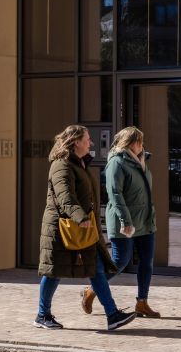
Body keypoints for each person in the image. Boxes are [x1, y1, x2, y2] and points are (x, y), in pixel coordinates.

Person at [35, 124, 136, 332]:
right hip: (62, 228)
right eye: (87, 139)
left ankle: (112, 315)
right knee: (53, 271)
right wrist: (80, 217)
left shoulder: (79, 163)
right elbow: (65, 197)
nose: (91, 142)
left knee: (96, 267)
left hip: (81, 227)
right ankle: (42, 314)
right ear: (75, 142)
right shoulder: (61, 166)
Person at [81, 126, 161, 320]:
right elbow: (115, 194)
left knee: (147, 263)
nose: (142, 145)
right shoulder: (117, 163)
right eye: (138, 141)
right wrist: (126, 221)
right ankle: (92, 290)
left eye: (142, 141)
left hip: (144, 221)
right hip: (124, 222)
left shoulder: (140, 161)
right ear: (128, 143)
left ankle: (142, 303)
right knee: (120, 261)